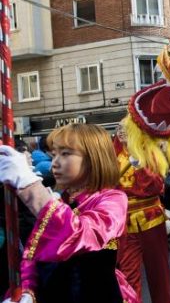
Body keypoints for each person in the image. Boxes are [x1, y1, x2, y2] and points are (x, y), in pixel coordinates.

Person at [0, 123, 138, 303]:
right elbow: (33, 256)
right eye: (54, 154)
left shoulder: (112, 200)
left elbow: (77, 234)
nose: (55, 162)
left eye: (65, 154)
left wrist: (29, 186)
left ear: (93, 159)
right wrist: (27, 291)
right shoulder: (59, 201)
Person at [114, 124, 170, 303]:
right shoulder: (111, 157)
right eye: (118, 128)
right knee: (128, 274)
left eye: (126, 128)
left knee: (158, 272)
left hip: (150, 219)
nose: (122, 131)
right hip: (125, 223)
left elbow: (155, 187)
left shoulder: (149, 153)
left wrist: (140, 165)